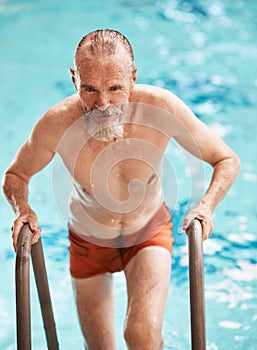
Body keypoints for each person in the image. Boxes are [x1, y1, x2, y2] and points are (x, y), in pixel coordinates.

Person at [2, 29, 240, 350]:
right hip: (88, 241)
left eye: (114, 88)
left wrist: (206, 206)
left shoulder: (163, 109)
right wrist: (23, 209)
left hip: (148, 232)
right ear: (74, 79)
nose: (102, 104)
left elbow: (225, 159)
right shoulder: (56, 125)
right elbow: (16, 175)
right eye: (89, 89)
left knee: (140, 335)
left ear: (133, 78)